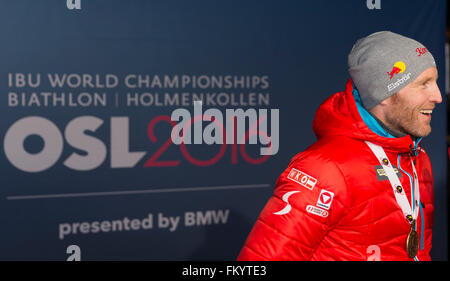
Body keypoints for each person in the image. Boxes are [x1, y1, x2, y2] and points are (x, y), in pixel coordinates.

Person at [237, 31, 442, 261]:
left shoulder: (417, 156)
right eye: (423, 84)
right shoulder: (324, 169)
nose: (438, 96)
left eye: (435, 82)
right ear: (384, 93)